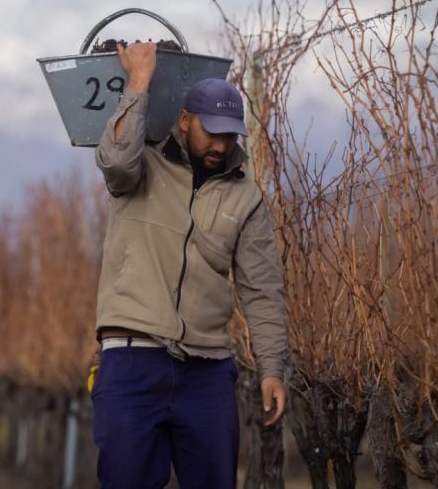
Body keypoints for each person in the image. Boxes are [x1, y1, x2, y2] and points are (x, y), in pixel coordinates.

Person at [91, 42, 289, 488]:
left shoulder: (247, 197)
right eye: (211, 131)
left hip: (208, 370)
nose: (221, 144)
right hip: (132, 358)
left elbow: (262, 289)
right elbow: (114, 160)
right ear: (184, 121)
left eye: (230, 134)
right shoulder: (142, 165)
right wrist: (139, 81)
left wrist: (273, 367)